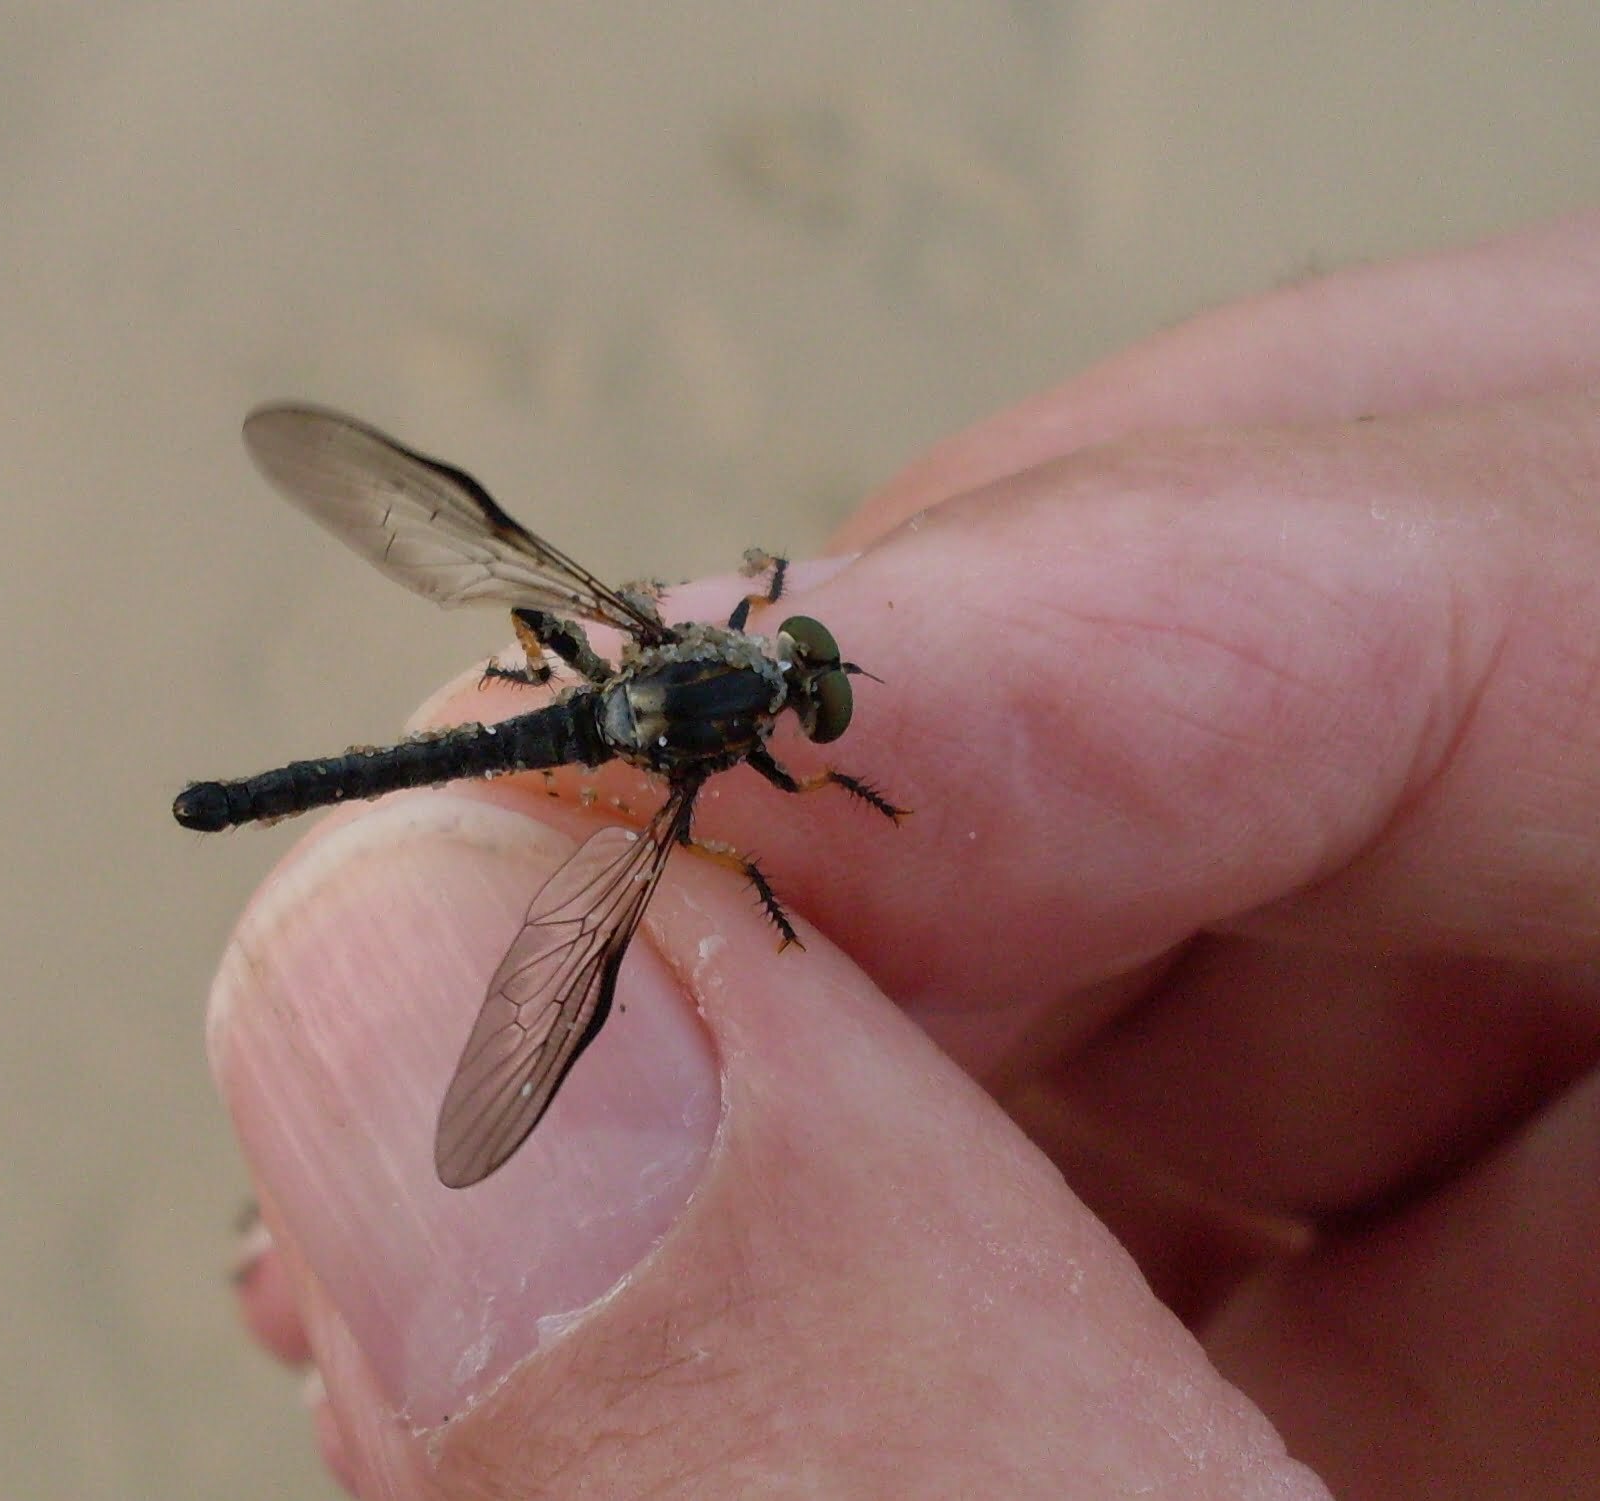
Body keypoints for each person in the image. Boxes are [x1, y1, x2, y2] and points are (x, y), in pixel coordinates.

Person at [208, 212, 1600, 1497]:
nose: (799, 667)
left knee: (531, 779)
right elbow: (735, 823)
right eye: (799, 669)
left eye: (796, 668)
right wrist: (786, 836)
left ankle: (451, 726)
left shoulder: (682, 656)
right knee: (614, 884)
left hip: (594, 694)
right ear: (766, 663)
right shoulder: (736, 733)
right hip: (605, 725)